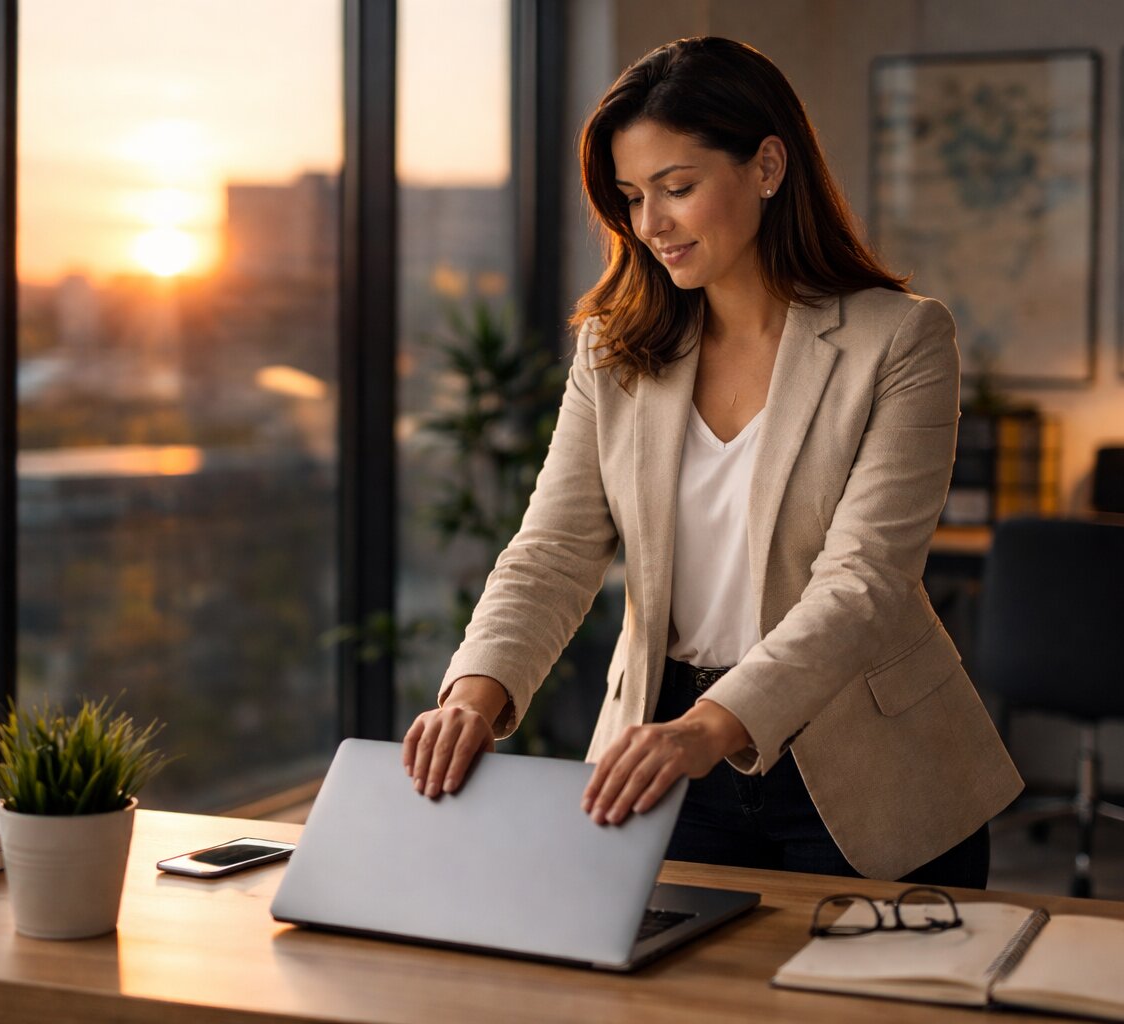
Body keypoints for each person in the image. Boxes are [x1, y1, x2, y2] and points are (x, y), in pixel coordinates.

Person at [401, 36, 1022, 888]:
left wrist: (713, 725)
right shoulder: (613, 353)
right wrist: (475, 689)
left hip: (866, 767)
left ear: (767, 166)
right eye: (630, 197)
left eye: (677, 188)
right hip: (666, 757)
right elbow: (553, 549)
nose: (650, 223)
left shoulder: (901, 340)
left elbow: (865, 582)